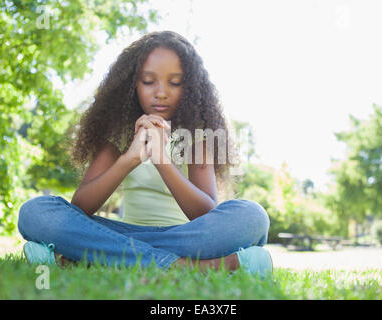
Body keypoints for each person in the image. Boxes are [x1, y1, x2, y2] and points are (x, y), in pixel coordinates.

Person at [18, 31, 273, 277]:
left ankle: (85, 259)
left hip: (185, 238)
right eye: (149, 81)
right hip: (120, 234)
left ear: (190, 88)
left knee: (252, 217)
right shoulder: (117, 137)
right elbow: (81, 207)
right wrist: (129, 160)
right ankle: (192, 267)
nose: (161, 92)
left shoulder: (197, 138)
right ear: (132, 85)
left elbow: (206, 213)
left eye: (174, 82)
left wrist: (162, 161)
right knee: (36, 212)